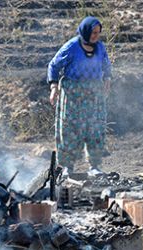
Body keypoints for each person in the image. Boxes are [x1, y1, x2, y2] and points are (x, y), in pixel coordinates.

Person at [47, 16, 112, 178]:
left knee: (95, 128)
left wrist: (107, 79)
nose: (96, 36)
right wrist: (54, 87)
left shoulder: (100, 47)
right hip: (73, 93)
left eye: (98, 33)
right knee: (69, 129)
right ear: (85, 31)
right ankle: (68, 166)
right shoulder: (71, 47)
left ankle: (94, 166)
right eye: (93, 33)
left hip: (94, 93)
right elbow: (54, 66)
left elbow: (106, 64)